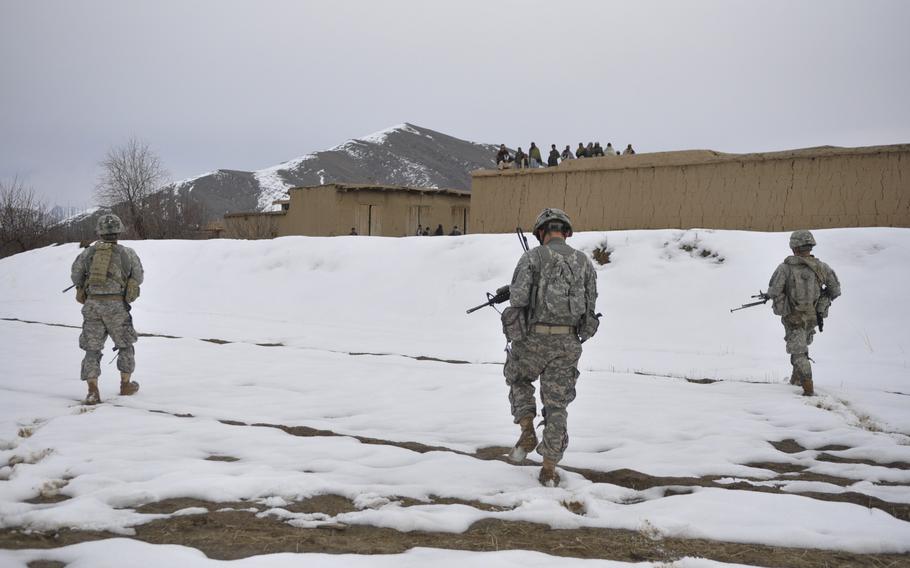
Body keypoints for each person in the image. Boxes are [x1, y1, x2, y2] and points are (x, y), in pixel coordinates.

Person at [503, 208, 599, 486]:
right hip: (567, 342)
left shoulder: (531, 257)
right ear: (565, 232)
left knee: (518, 378)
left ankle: (527, 429)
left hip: (533, 340)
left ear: (542, 232)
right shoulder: (585, 263)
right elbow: (590, 308)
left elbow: (519, 299)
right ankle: (548, 469)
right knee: (557, 406)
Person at [70, 213, 144, 405]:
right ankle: (125, 385)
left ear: (100, 232)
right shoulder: (128, 253)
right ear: (118, 231)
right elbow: (138, 277)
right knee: (126, 345)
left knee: (91, 349)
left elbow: (76, 276)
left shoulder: (88, 253)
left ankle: (92, 391)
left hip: (93, 306)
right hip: (116, 306)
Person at [764, 230, 841, 396]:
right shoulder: (822, 267)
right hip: (813, 317)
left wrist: (768, 296)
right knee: (801, 347)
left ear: (793, 247)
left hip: (794, 317)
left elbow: (774, 290)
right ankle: (796, 380)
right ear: (810, 246)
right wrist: (821, 302)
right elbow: (835, 290)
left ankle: (808, 389)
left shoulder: (785, 268)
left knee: (798, 353)